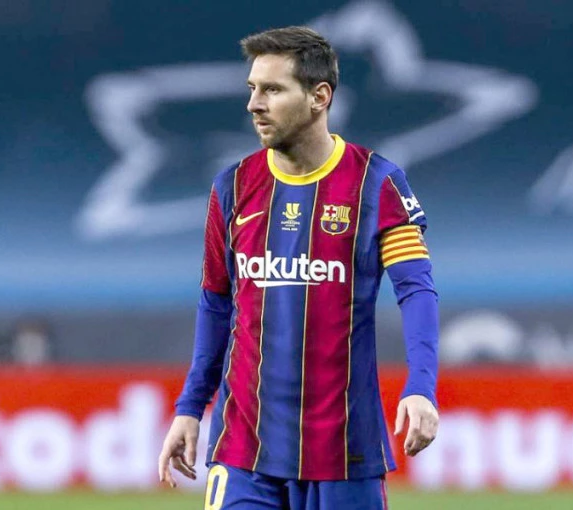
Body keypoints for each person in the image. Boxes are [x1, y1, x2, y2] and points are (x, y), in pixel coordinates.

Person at [158, 26, 439, 510]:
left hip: (344, 451)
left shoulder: (377, 184)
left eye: (272, 89)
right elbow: (216, 303)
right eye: (252, 89)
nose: (254, 104)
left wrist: (421, 387)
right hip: (244, 447)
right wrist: (190, 406)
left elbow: (415, 290)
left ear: (319, 97)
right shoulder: (232, 187)